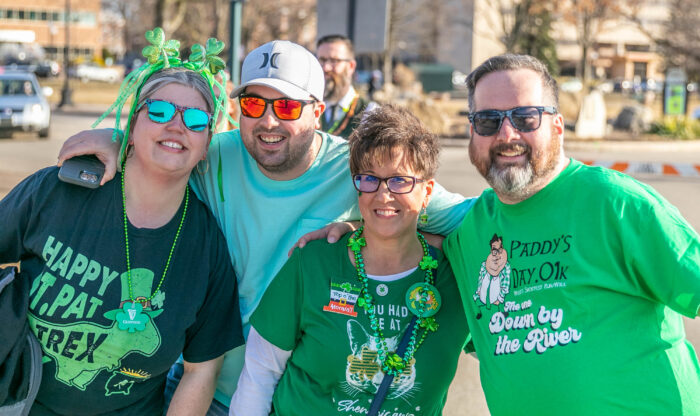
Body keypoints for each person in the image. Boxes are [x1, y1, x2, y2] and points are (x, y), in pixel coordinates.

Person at [57, 40, 475, 413]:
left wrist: (373, 229)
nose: (268, 121)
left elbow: (475, 223)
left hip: (290, 397)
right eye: (254, 105)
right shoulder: (213, 156)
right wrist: (118, 140)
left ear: (318, 112)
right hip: (198, 383)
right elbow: (160, 149)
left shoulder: (358, 171)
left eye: (287, 107)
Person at [0, 29, 244, 415]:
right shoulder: (58, 190)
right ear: (131, 126)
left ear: (205, 146)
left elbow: (201, 370)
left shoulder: (207, 249)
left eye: (196, 119)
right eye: (159, 111)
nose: (176, 126)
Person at [443, 53, 700, 415]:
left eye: (525, 117)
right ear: (473, 132)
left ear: (558, 126)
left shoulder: (617, 203)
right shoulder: (467, 233)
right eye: (488, 121)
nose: (507, 134)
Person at [230, 104, 469, 415]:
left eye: (399, 180)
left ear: (427, 192)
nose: (383, 194)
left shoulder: (456, 275)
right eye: (369, 179)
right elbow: (259, 374)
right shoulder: (313, 262)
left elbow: (510, 357)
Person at [317, 34, 376, 138]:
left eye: (334, 61)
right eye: (322, 60)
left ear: (351, 66)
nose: (326, 68)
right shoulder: (309, 107)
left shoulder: (370, 114)